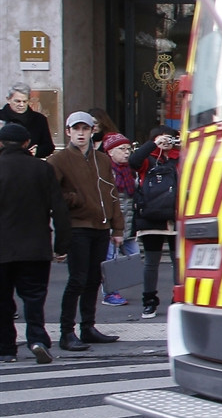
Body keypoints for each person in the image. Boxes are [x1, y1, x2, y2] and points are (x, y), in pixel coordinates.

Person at [46, 111, 123, 351]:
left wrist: (118, 227)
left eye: (85, 129)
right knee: (77, 280)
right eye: (76, 129)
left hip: (101, 226)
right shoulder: (58, 160)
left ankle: (88, 327)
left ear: (92, 131)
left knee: (93, 279)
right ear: (68, 131)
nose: (81, 133)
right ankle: (66, 332)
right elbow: (50, 192)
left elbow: (112, 193)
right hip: (77, 226)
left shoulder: (102, 159)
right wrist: (74, 199)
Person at [0, 121, 70, 363]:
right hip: (35, 246)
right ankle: (37, 339)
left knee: (3, 300)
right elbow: (59, 209)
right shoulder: (42, 169)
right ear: (27, 143)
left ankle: (6, 348)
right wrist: (61, 245)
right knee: (34, 297)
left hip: (2, 249)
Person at [129, 127, 181, 319]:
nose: (166, 142)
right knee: (151, 262)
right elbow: (133, 162)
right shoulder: (147, 158)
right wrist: (153, 145)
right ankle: (149, 301)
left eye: (170, 138)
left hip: (175, 217)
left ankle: (178, 298)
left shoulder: (179, 158)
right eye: (162, 138)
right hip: (151, 217)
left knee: (178, 261)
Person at [100, 133, 136, 306]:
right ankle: (109, 293)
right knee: (110, 260)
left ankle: (115, 288)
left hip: (128, 223)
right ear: (110, 152)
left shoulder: (129, 171)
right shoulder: (106, 172)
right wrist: (114, 228)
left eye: (128, 149)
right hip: (113, 225)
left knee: (134, 257)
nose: (126, 152)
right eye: (122, 149)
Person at [1, 85, 54, 158]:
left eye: (25, 101)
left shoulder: (39, 119)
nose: (21, 105)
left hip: (29, 161)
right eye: (17, 101)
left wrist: (37, 151)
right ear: (8, 100)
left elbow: (49, 146)